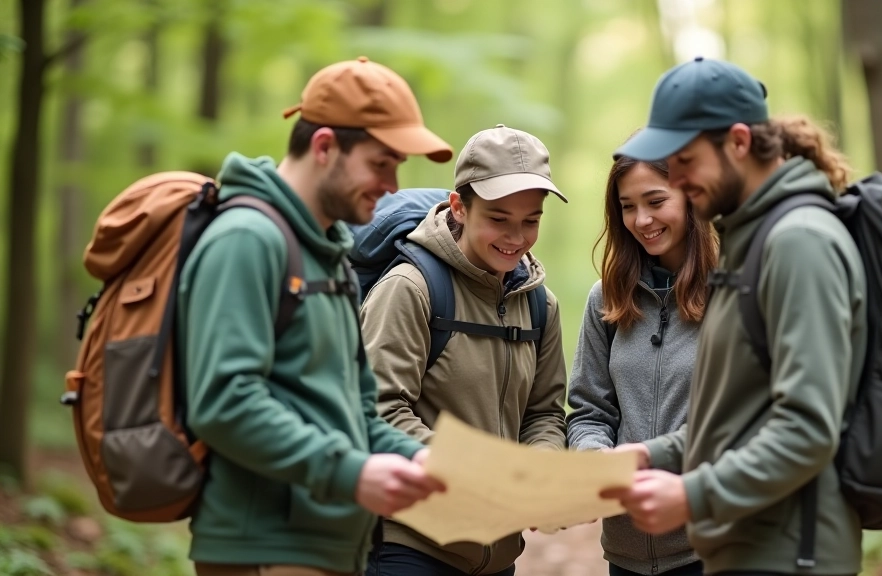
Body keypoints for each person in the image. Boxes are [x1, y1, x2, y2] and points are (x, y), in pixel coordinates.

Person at [176, 57, 452, 576]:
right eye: (380, 163)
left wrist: (422, 460)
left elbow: (357, 414)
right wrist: (351, 473)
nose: (393, 185)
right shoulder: (247, 240)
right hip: (261, 548)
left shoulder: (332, 257)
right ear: (324, 146)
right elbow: (224, 401)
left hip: (325, 546)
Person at [602, 57, 867, 576]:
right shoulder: (753, 244)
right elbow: (734, 419)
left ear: (739, 142)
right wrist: (644, 457)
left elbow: (807, 428)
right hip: (751, 548)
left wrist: (692, 494)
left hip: (793, 553)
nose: (675, 177)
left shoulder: (799, 242)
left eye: (684, 160)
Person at [360, 124, 570, 576]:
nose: (516, 237)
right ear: (459, 206)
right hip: (409, 544)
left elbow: (545, 412)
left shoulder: (538, 304)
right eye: (498, 218)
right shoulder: (410, 288)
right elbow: (378, 409)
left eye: (530, 220)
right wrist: (476, 473)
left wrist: (541, 469)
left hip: (496, 553)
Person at [566, 147, 717, 576]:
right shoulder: (607, 298)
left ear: (690, 196)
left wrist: (649, 458)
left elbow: (739, 425)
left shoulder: (733, 296)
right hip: (626, 552)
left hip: (710, 548)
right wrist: (594, 456)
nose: (642, 220)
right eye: (628, 207)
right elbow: (589, 411)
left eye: (656, 201)